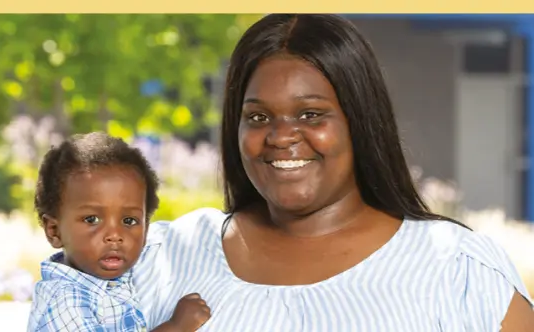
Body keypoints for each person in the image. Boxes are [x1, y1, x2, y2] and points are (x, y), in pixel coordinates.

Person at [132, 14, 534, 331]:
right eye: (258, 116)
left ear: (358, 120)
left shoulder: (456, 268)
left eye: (311, 114)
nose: (281, 136)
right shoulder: (160, 257)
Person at [27, 132, 211, 332]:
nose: (115, 235)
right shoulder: (65, 301)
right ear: (54, 231)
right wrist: (177, 327)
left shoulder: (118, 277)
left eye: (129, 221)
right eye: (92, 219)